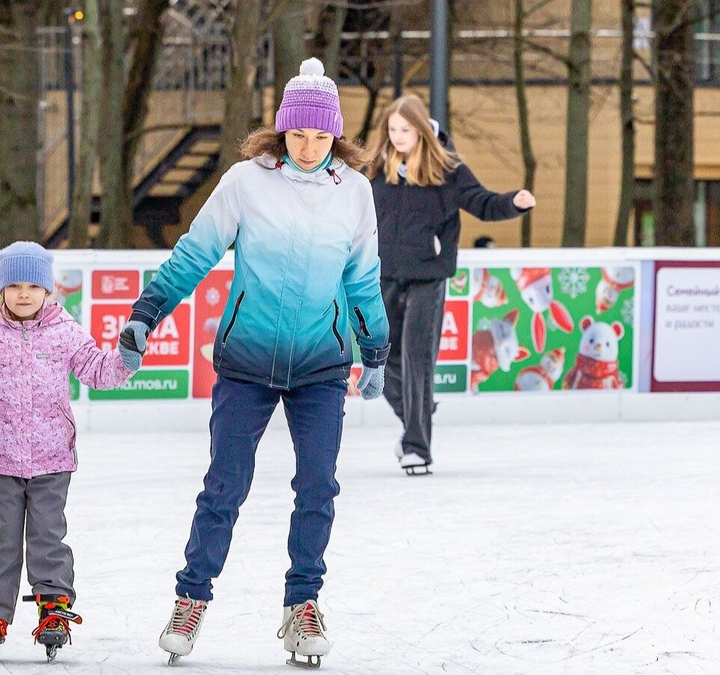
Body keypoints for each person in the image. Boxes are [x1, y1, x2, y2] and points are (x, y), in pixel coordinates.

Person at [118, 58, 390, 668]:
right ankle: (190, 602)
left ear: (335, 136)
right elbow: (195, 253)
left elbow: (363, 279)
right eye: (300, 134)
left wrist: (375, 350)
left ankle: (303, 607)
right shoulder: (245, 182)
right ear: (282, 130)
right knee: (225, 486)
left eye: (322, 136)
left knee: (317, 485)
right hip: (246, 362)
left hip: (321, 364)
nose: (310, 146)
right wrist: (147, 312)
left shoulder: (355, 192)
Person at [0, 241, 139, 662]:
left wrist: (126, 357)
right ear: (0, 289)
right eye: (13, 285)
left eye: (32, 285)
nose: (22, 294)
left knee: (47, 535)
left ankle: (53, 606)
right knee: (2, 538)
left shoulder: (65, 331)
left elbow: (97, 371)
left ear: (47, 290)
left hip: (53, 456)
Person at [364, 95, 535, 475]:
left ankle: (417, 447)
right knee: (380, 355)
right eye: (392, 131)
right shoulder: (376, 168)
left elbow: (482, 202)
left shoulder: (446, 169)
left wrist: (515, 202)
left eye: (405, 130)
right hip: (384, 273)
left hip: (428, 274)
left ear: (422, 130)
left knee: (417, 359)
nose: (398, 137)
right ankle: (416, 415)